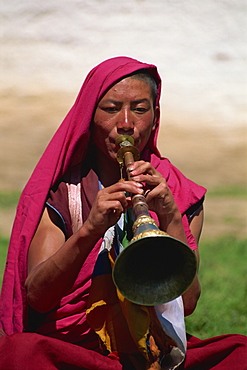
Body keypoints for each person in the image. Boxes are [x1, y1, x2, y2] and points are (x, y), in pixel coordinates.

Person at [0, 56, 246, 369]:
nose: (126, 123)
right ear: (89, 116)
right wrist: (90, 229)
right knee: (17, 353)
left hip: (154, 352)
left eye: (140, 109)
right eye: (111, 108)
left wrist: (170, 218)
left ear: (155, 116)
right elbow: (39, 297)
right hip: (77, 350)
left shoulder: (177, 191)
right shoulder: (65, 192)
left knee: (241, 352)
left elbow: (185, 304)